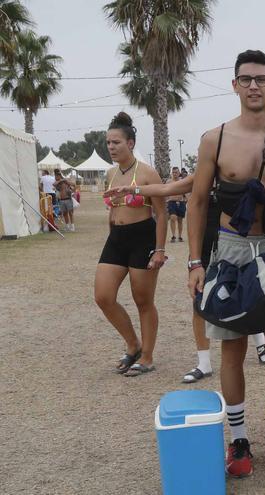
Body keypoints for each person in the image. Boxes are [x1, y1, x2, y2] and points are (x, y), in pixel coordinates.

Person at [187, 49, 265, 478]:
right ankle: (238, 441)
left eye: (262, 78)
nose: (254, 85)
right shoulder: (215, 139)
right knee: (232, 348)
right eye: (246, 79)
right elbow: (198, 201)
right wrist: (194, 262)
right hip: (231, 252)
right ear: (235, 85)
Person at [105, 176, 265, 385]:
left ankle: (260, 341)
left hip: (237, 240)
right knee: (199, 298)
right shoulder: (207, 171)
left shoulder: (243, 166)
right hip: (204, 239)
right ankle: (204, 363)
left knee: (244, 293)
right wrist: (133, 190)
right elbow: (168, 188)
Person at [94, 112, 167, 377]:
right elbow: (112, 210)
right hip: (116, 239)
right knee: (103, 296)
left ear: (131, 143)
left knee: (143, 300)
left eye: (116, 142)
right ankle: (133, 344)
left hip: (143, 238)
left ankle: (147, 356)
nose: (111, 147)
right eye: (109, 143)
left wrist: (159, 249)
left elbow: (162, 214)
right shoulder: (111, 174)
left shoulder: (148, 174)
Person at [166, 166, 187, 242]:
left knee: (180, 220)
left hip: (181, 202)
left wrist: (186, 198)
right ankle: (173, 236)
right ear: (172, 173)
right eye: (173, 172)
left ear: (179, 173)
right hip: (171, 202)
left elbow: (186, 191)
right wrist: (166, 200)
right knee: (172, 217)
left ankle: (180, 236)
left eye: (176, 172)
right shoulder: (169, 182)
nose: (175, 174)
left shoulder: (182, 181)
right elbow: (165, 191)